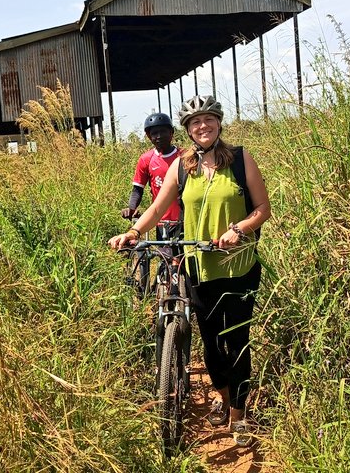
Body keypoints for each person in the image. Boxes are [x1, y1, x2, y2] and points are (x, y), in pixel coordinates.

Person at [109, 95, 270, 447]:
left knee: (236, 342)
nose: (202, 127)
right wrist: (134, 232)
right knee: (212, 345)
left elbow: (262, 209)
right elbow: (156, 207)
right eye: (195, 123)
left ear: (218, 123)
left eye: (208, 120)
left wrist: (239, 229)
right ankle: (223, 398)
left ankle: (240, 415)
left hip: (239, 266)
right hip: (198, 265)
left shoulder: (241, 159)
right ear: (188, 130)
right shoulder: (182, 167)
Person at [121, 112, 181, 242]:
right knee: (166, 258)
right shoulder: (146, 159)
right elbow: (137, 189)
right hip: (161, 221)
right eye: (154, 133)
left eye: (163, 132)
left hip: (185, 219)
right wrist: (131, 209)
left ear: (171, 132)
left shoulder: (185, 156)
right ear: (149, 136)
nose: (159, 136)